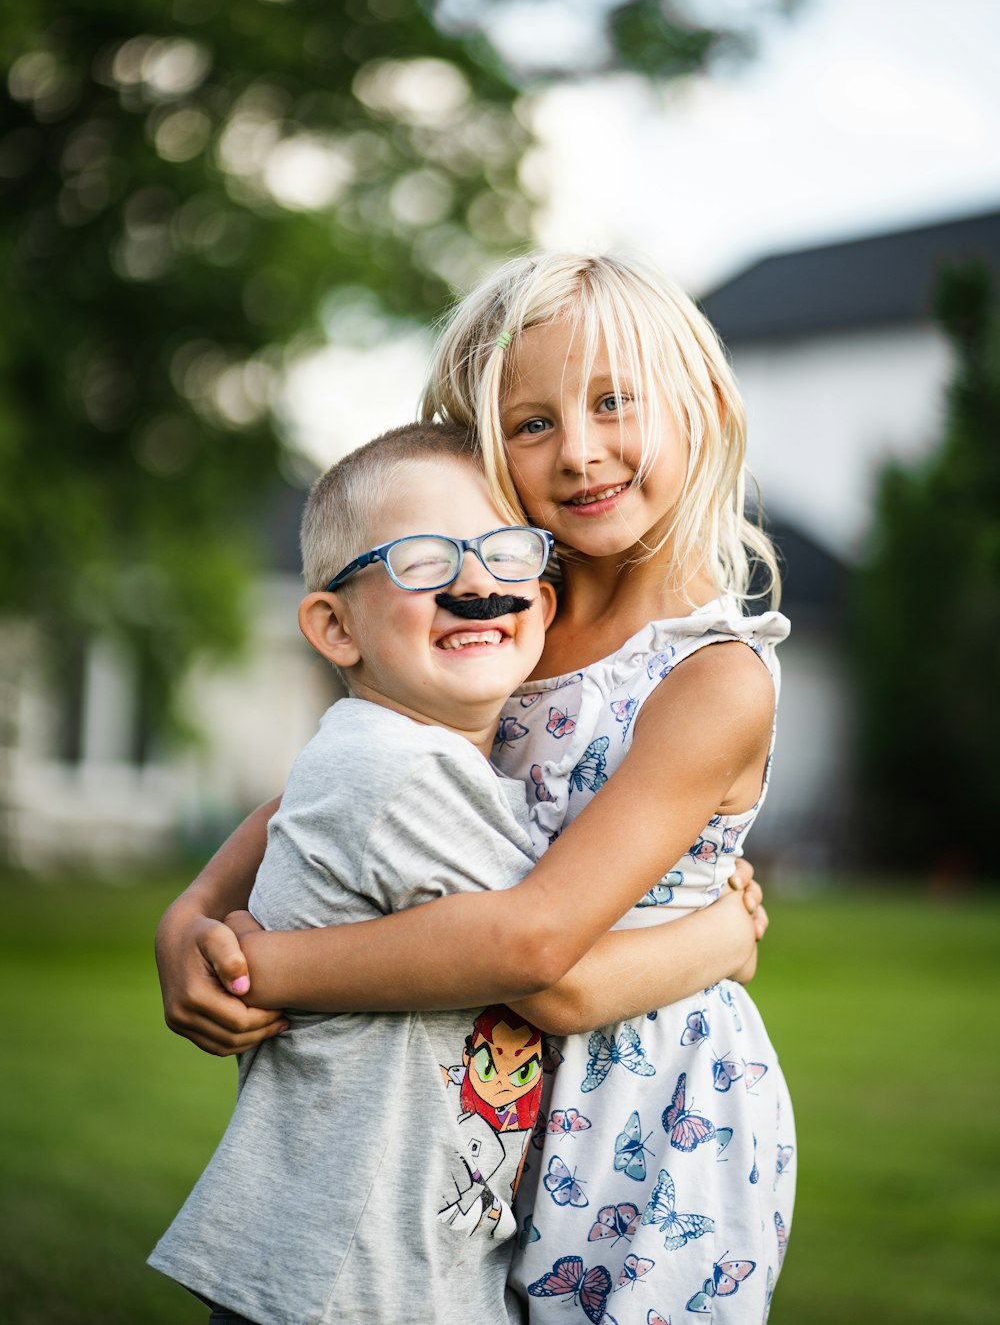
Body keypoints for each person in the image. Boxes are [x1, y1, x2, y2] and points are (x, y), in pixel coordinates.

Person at [155, 252, 793, 1322]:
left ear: (707, 408)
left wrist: (265, 966)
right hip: (482, 1093)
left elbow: (547, 957)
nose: (579, 452)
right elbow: (341, 780)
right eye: (532, 424)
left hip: (646, 1118)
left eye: (612, 404)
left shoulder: (711, 678)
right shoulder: (507, 614)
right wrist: (187, 920)